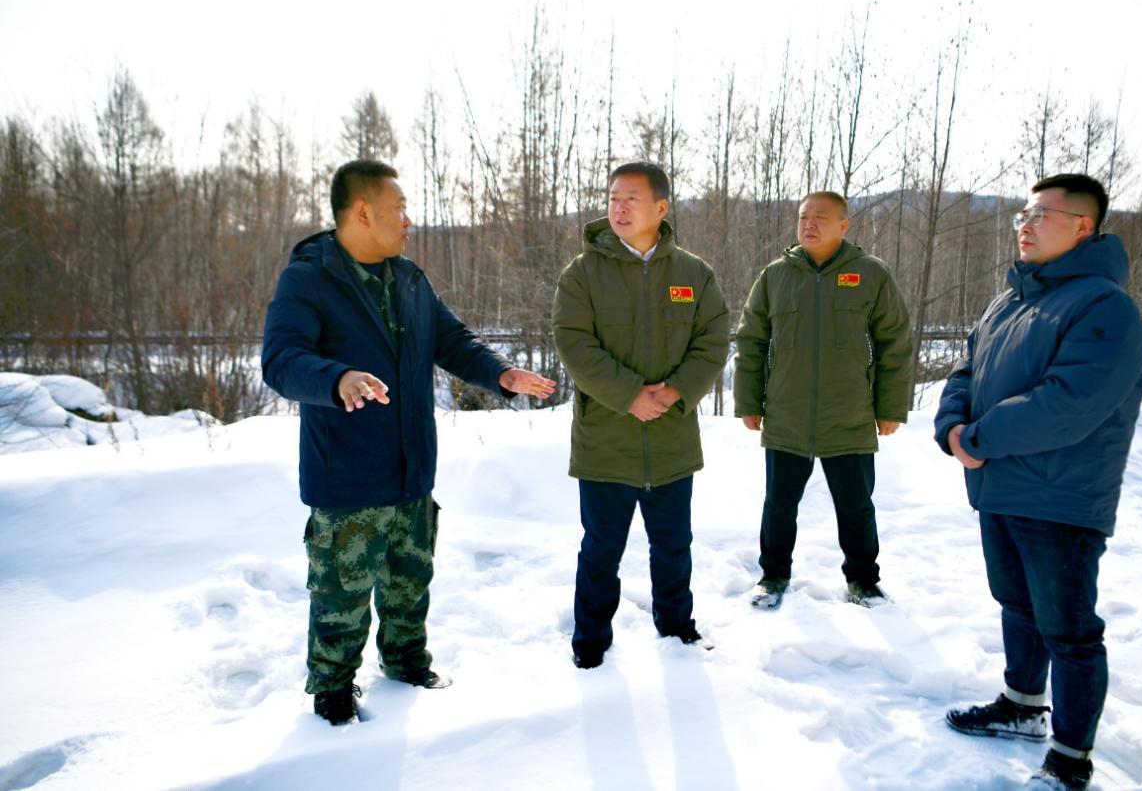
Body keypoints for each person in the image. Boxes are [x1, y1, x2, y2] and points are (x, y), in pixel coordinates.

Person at [262, 159, 555, 725]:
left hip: (411, 469)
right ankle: (333, 689)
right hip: (347, 476)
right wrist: (336, 379)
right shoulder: (309, 280)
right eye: (398, 208)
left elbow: (453, 341)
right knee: (341, 596)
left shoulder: (410, 279)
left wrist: (500, 373)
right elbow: (281, 360)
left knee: (410, 581)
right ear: (362, 212)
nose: (408, 220)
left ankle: (406, 662)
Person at [934, 173, 1142, 790]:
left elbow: (1067, 404)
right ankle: (1022, 706)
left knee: (1069, 631)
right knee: (1018, 605)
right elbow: (966, 369)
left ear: (1083, 226)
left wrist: (977, 440)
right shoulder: (1010, 300)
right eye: (1022, 216)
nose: (1025, 226)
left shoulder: (1104, 307)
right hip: (1001, 486)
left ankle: (1070, 758)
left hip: (1060, 496)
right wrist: (952, 426)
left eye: (1041, 216)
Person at [552, 161, 729, 669]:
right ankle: (590, 644)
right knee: (601, 549)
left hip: (672, 439)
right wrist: (630, 395)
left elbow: (713, 339)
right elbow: (574, 343)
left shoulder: (693, 274)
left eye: (631, 198)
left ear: (661, 207)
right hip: (606, 441)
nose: (619, 207)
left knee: (673, 545)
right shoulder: (583, 274)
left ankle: (677, 627)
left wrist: (675, 391)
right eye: (613, 198)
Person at [733, 191, 913, 609]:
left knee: (856, 507)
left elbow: (895, 343)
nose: (809, 224)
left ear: (843, 225)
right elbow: (752, 340)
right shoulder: (776, 275)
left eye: (821, 217)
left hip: (849, 414)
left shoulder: (871, 273)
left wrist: (889, 408)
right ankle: (773, 576)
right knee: (779, 506)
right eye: (803, 217)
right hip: (787, 414)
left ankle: (863, 581)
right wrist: (749, 401)